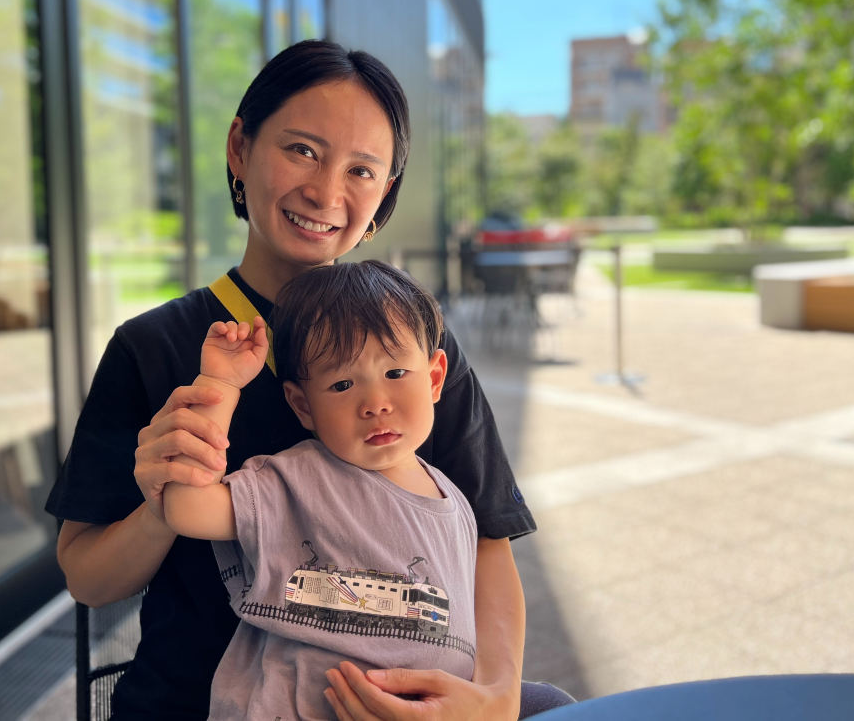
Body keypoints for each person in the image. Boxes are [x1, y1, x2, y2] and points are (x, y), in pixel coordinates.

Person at [47, 40, 546, 721]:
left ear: (385, 195)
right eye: (302, 150)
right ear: (239, 148)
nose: (326, 192)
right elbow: (86, 575)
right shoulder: (154, 348)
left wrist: (494, 696)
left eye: (363, 170)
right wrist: (163, 501)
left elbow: (488, 537)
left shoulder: (418, 344)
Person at [164, 261, 476, 721]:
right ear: (302, 405)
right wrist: (220, 386)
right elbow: (186, 508)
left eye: (395, 373)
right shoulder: (300, 480)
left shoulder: (455, 501)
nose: (375, 404)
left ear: (433, 378)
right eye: (342, 384)